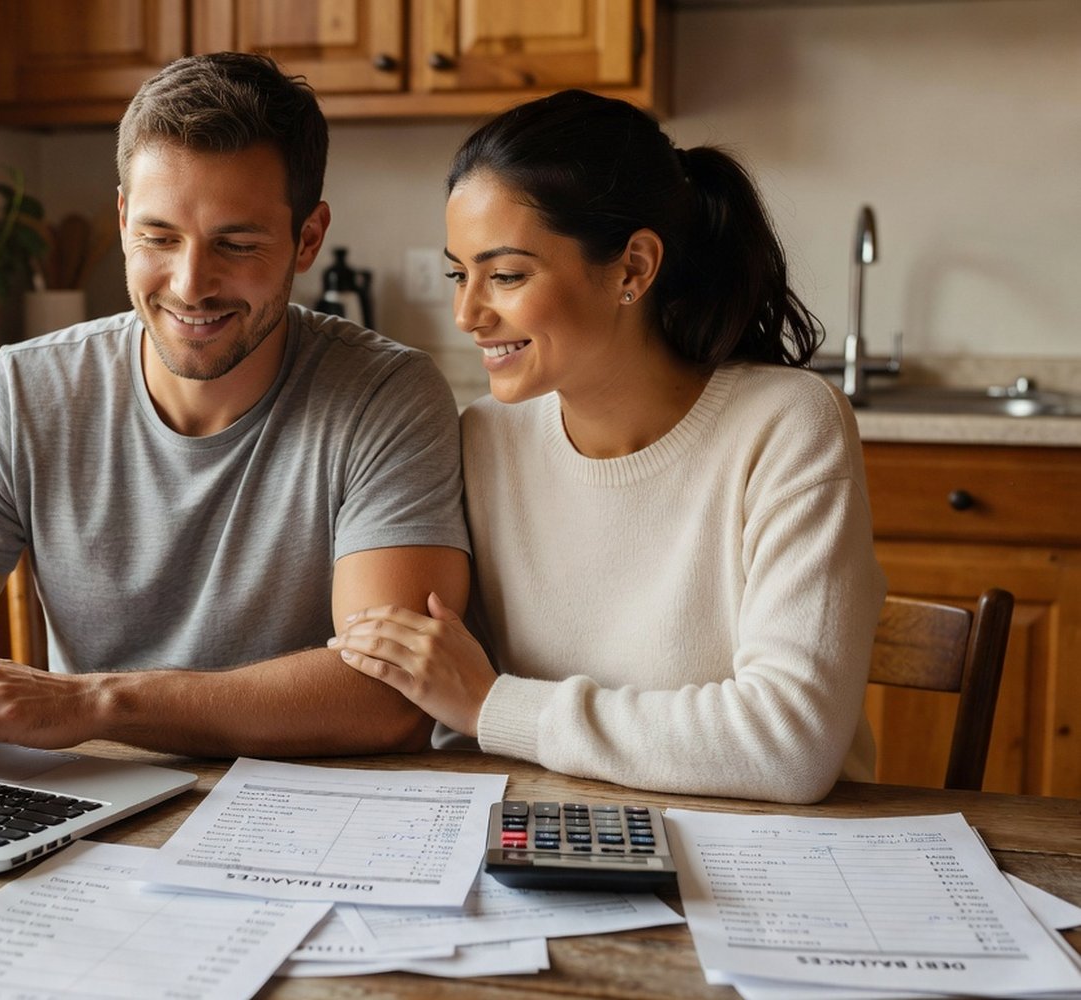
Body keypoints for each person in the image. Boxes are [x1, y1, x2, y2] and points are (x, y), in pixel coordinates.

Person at [0, 52, 470, 758]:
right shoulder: (21, 394)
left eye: (237, 244)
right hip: (99, 799)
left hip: (310, 804)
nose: (191, 285)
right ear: (123, 218)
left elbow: (390, 696)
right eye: (159, 238)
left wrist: (95, 702)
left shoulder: (386, 396)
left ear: (308, 239)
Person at [329, 90, 885, 804]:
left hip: (776, 849)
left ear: (633, 268)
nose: (466, 313)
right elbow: (439, 703)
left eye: (506, 275)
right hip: (552, 829)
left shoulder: (789, 424)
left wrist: (494, 705)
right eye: (458, 274)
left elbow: (789, 743)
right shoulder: (482, 440)